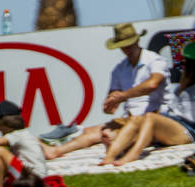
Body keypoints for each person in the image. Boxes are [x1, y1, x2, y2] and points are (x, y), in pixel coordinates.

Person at [42, 23, 169, 161]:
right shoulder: (119, 69)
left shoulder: (155, 60)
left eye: (129, 44)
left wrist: (121, 96)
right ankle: (56, 150)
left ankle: (114, 146)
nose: (126, 49)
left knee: (112, 132)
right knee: (93, 131)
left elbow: (152, 84)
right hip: (132, 117)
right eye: (123, 45)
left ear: (137, 41)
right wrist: (110, 103)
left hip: (157, 116)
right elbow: (112, 104)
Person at [100, 40, 195, 167]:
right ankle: (110, 156)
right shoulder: (187, 79)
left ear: (193, 62)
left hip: (191, 129)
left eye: (184, 60)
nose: (181, 62)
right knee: (136, 119)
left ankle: (134, 154)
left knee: (151, 117)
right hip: (176, 121)